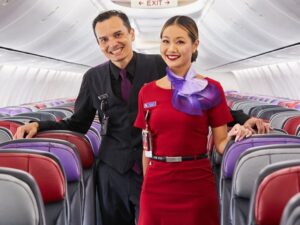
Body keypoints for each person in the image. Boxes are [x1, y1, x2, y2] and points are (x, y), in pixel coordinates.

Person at [13, 10, 268, 225]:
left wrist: (243, 119)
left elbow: (202, 96)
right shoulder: (93, 78)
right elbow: (77, 123)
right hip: (112, 173)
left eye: (118, 34)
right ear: (99, 44)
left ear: (131, 34)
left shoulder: (161, 65)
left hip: (154, 169)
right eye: (104, 39)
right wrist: (39, 124)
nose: (112, 43)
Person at [134, 15, 250, 225]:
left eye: (180, 41)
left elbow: (221, 142)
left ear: (195, 45)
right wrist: (146, 184)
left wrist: (236, 135)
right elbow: (146, 148)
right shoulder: (147, 92)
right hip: (156, 185)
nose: (171, 48)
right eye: (165, 40)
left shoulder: (211, 89)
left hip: (196, 182)